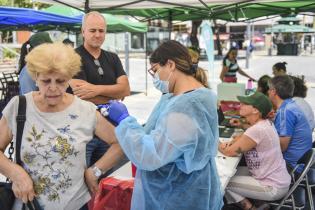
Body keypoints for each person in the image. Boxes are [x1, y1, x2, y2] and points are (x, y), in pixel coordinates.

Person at [0, 43, 124, 210]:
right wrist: (16, 174)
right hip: (28, 205)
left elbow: (121, 142)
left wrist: (94, 171)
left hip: (75, 205)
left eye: (60, 81)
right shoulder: (19, 106)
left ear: (69, 79)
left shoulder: (84, 110)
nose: (53, 88)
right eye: (46, 81)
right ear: (35, 77)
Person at [104, 40, 223, 210]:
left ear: (170, 64)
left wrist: (124, 120)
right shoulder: (198, 95)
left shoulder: (185, 107)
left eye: (155, 70)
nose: (155, 78)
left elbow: (150, 155)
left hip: (176, 197)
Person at [69, 11, 130, 169]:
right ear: (83, 32)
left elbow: (125, 90)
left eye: (101, 31)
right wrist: (112, 94)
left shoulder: (113, 58)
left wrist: (95, 89)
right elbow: (81, 95)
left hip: (109, 132)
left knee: (105, 180)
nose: (97, 35)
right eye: (92, 30)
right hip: (82, 132)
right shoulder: (72, 57)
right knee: (82, 180)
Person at [219, 92, 290, 210]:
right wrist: (234, 141)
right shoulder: (264, 124)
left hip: (272, 186)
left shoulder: (258, 129)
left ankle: (250, 207)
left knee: (223, 181)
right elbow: (246, 136)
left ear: (255, 110)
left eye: (245, 103)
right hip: (275, 178)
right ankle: (259, 204)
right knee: (230, 172)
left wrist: (214, 140)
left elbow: (229, 152)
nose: (240, 104)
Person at [268, 75, 312, 172]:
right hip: (299, 163)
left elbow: (282, 146)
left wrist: (258, 139)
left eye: (269, 89)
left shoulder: (286, 111)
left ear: (273, 91)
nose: (268, 92)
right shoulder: (290, 105)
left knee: (247, 158)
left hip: (290, 166)